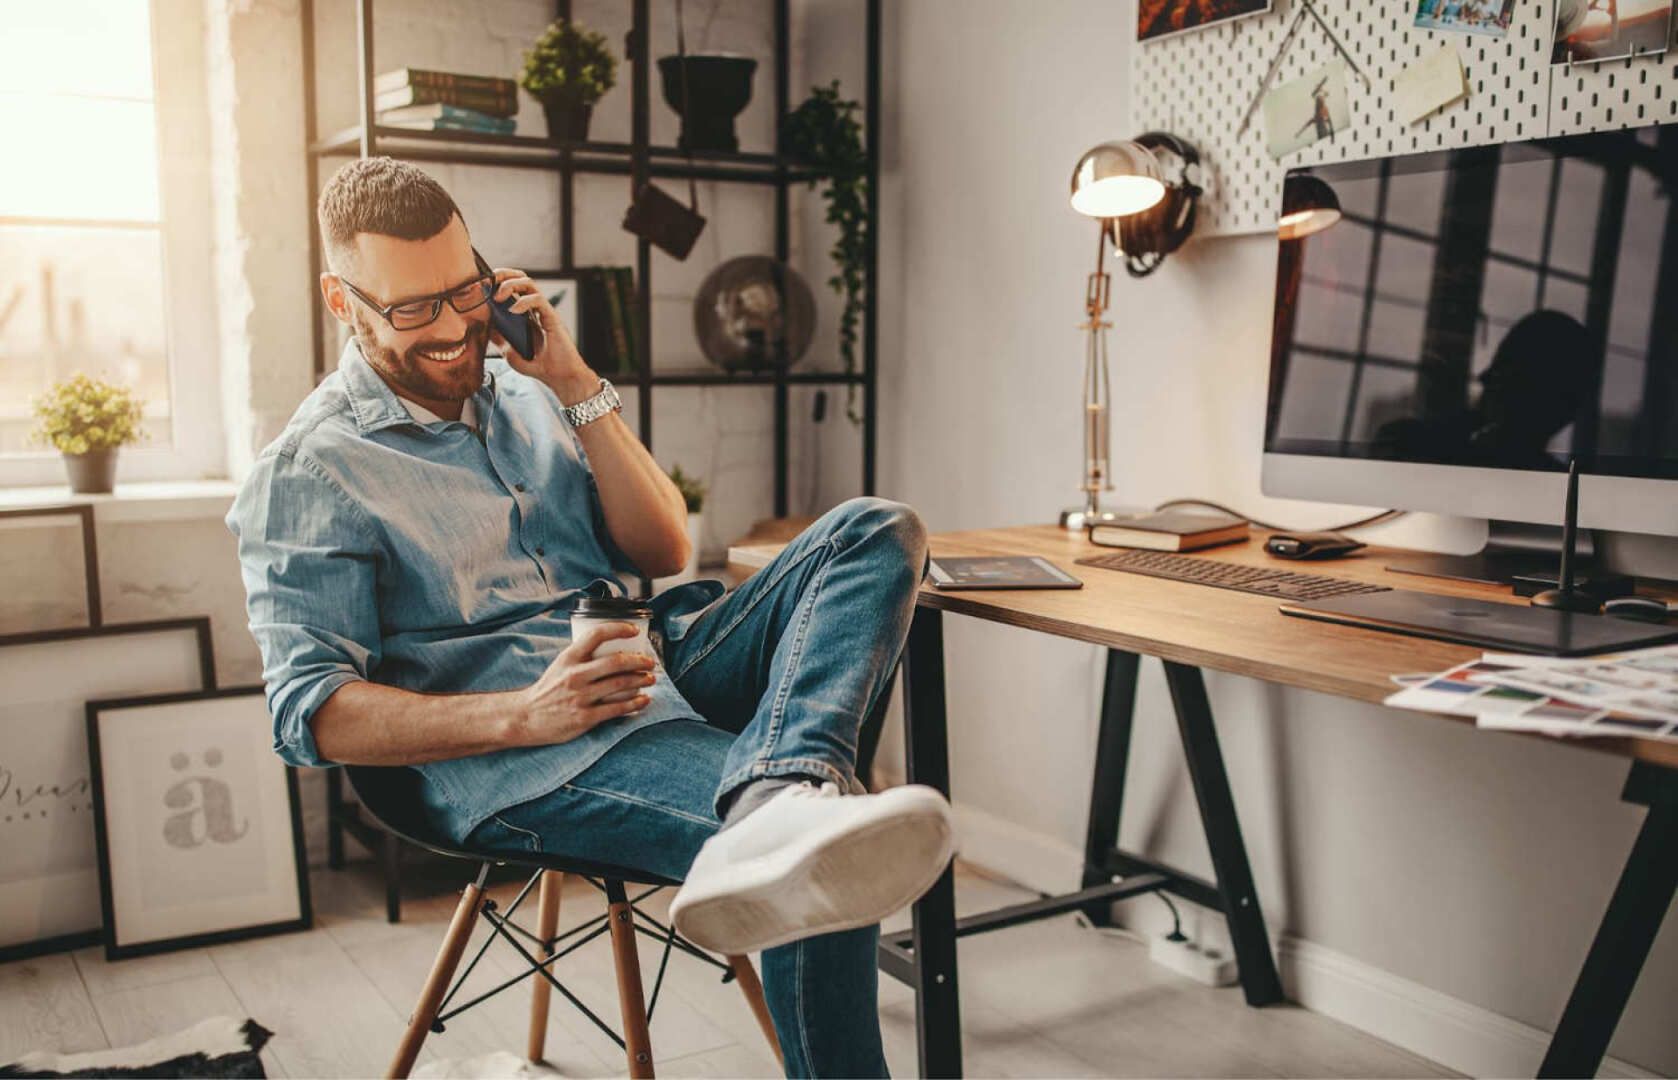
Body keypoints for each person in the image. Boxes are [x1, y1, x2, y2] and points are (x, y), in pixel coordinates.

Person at [226, 157, 953, 1078]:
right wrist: (527, 713)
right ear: (343, 300)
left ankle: (779, 788)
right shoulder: (311, 468)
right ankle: (790, 806)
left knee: (876, 531)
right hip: (526, 754)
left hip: (647, 662)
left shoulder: (527, 392)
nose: (455, 328)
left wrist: (572, 378)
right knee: (827, 850)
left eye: (466, 289)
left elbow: (661, 553)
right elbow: (307, 712)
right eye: (415, 308)